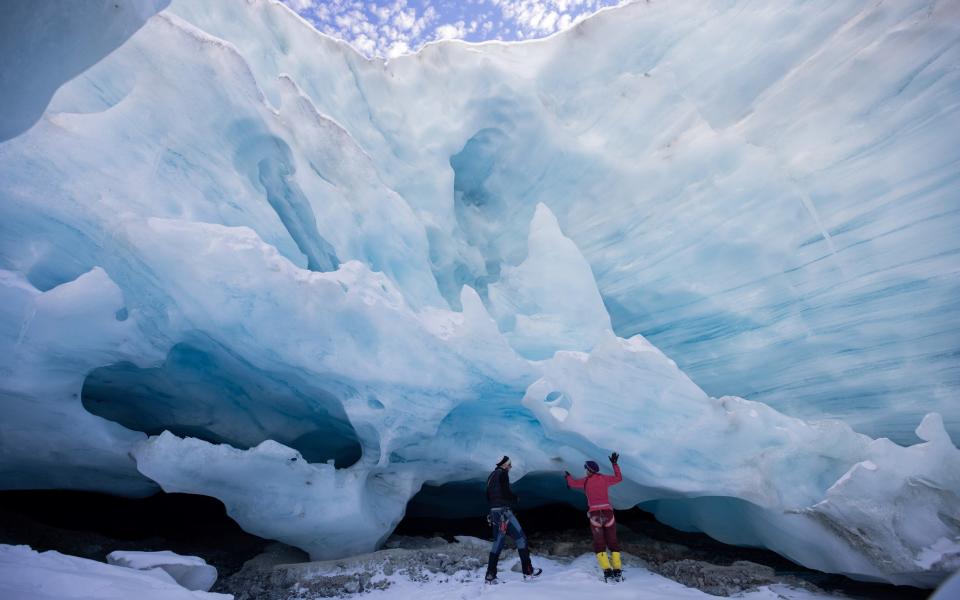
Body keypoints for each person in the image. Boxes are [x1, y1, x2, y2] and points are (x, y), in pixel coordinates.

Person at [565, 452, 623, 582]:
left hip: (595, 516)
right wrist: (614, 464)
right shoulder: (604, 478)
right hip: (608, 514)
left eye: (586, 468)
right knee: (613, 542)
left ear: (590, 470)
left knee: (599, 543)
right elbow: (619, 478)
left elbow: (572, 484)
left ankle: (607, 571)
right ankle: (617, 570)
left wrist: (568, 477)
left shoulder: (585, 482)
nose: (585, 470)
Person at [484, 455, 542, 583]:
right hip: (504, 513)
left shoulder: (490, 476)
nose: (510, 467)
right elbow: (505, 492)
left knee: (498, 543)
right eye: (509, 464)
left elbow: (488, 496)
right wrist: (514, 498)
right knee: (521, 539)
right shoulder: (503, 474)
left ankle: (490, 574)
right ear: (504, 464)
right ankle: (528, 571)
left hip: (494, 513)